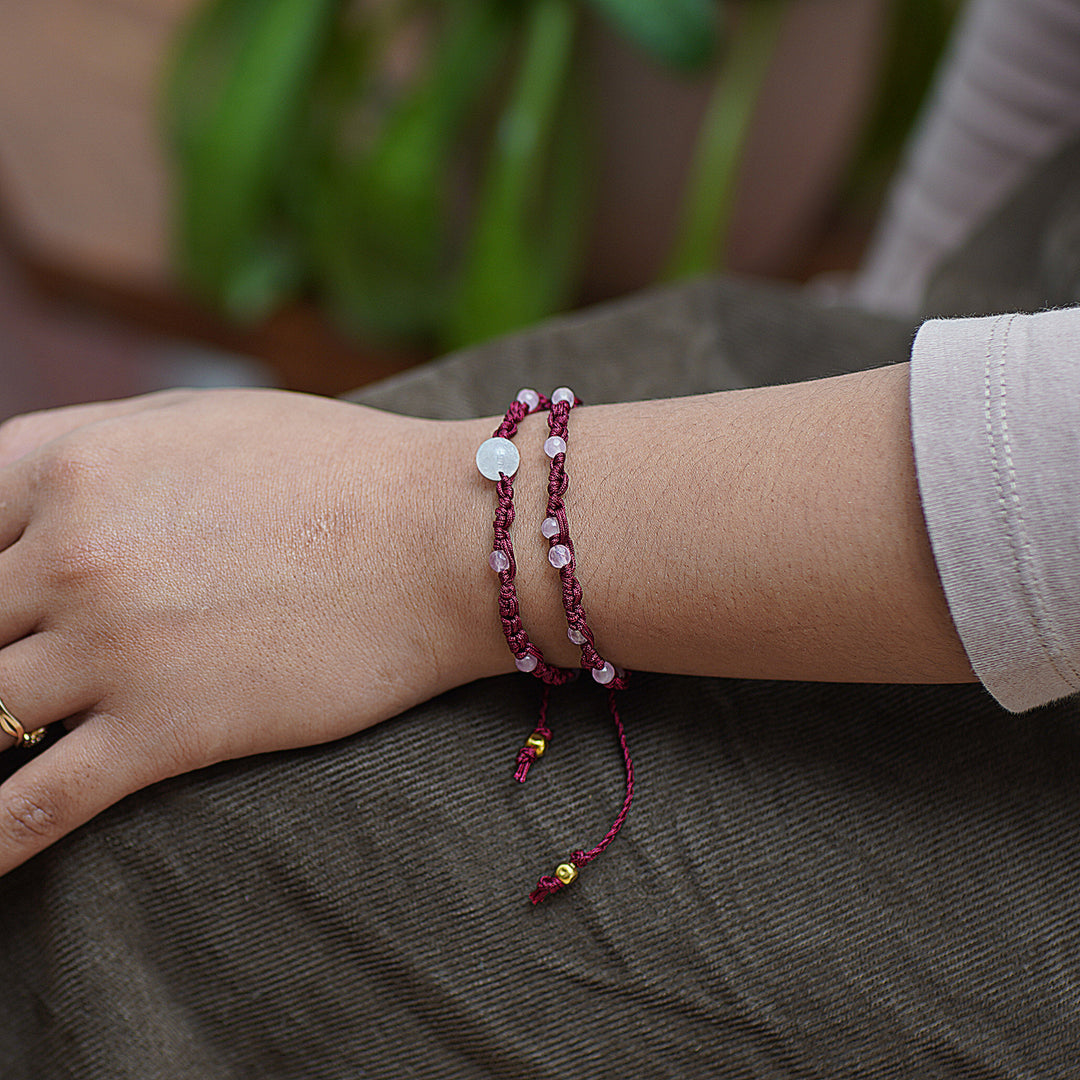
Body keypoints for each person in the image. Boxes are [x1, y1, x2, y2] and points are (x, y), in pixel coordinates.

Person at [4, 0, 1080, 1075]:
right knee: (101, 568)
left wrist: (417, 533)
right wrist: (904, 330)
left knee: (165, 845)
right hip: (989, 391)